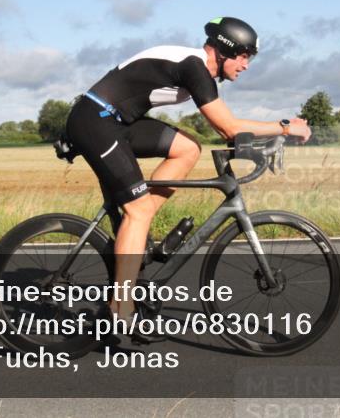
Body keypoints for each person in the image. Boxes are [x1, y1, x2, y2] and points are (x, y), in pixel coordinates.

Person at [65, 17, 311, 332]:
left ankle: (136, 231)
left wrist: (264, 141)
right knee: (137, 210)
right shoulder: (194, 66)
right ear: (225, 50)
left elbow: (229, 134)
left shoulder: (198, 71)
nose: (246, 65)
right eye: (244, 56)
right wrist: (284, 128)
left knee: (188, 149)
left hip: (117, 121)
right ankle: (120, 307)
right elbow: (229, 127)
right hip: (94, 120)